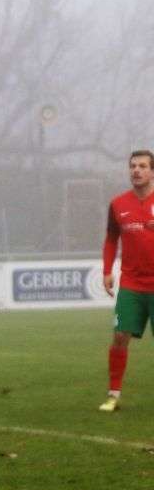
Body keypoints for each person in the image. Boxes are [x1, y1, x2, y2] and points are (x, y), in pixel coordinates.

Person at [97, 150, 154, 412]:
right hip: (131, 283)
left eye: (143, 166)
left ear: (152, 171)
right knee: (120, 336)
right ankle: (113, 394)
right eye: (133, 166)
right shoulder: (118, 204)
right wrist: (107, 270)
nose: (136, 170)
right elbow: (111, 238)